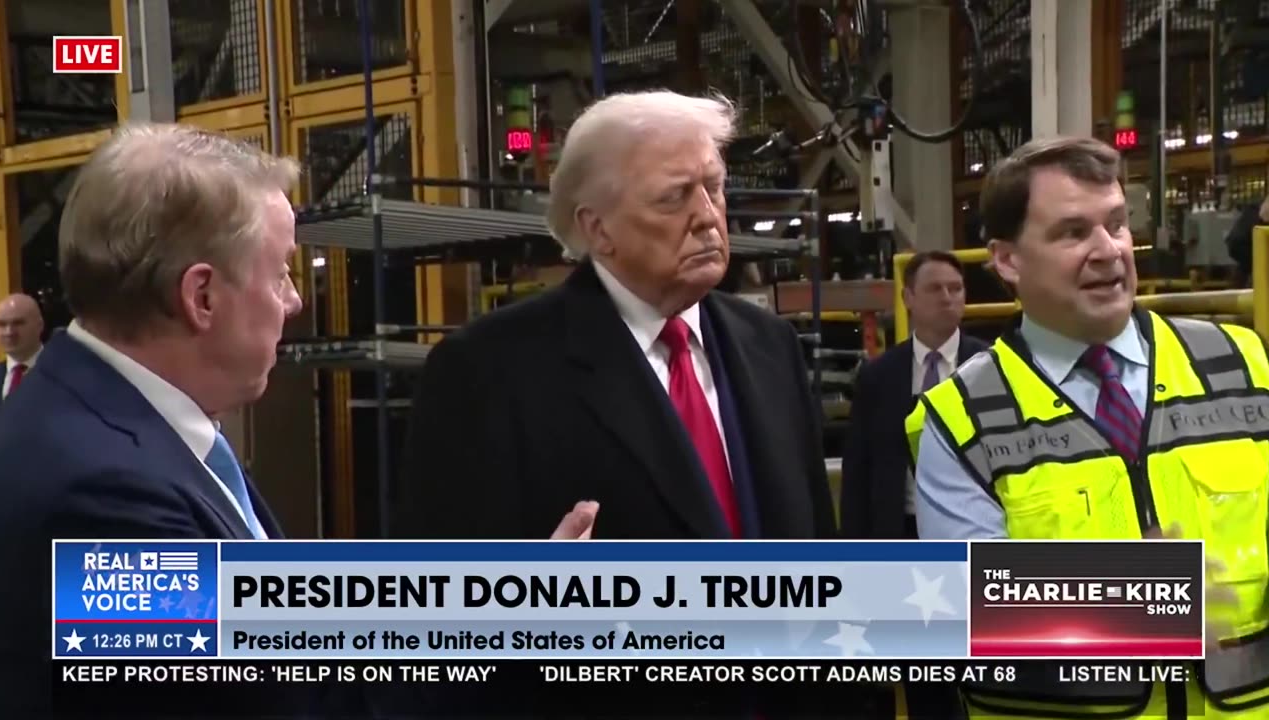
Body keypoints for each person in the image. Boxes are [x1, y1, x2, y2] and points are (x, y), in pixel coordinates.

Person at [0, 124, 598, 719]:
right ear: (201, 297)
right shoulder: (107, 497)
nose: (295, 301)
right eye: (281, 270)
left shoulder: (106, 423)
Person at [396, 91, 839, 715]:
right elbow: (437, 631)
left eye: (714, 188)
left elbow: (821, 563)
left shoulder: (769, 347)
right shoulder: (489, 373)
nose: (709, 217)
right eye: (673, 197)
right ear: (596, 228)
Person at [906, 135, 1269, 718]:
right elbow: (971, 607)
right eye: (1074, 232)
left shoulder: (1239, 364)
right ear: (1007, 260)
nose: (1110, 251)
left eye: (1117, 225)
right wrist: (1140, 599)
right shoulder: (962, 418)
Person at [841, 250, 986, 541]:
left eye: (955, 288)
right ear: (908, 298)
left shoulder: (993, 366)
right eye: (935, 289)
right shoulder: (877, 376)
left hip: (975, 530)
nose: (947, 297)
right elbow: (858, 472)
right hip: (899, 533)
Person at [0, 292, 45, 420]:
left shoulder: (63, 374)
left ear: (40, 325)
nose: (9, 332)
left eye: (18, 323)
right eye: (1, 324)